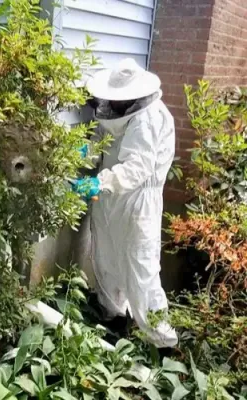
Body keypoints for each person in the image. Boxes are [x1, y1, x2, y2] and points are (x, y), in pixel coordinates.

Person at [73, 58, 178, 348]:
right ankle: (113, 318)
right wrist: (82, 153)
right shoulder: (117, 113)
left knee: (140, 269)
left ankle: (162, 343)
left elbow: (136, 168)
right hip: (109, 200)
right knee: (106, 258)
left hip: (138, 203)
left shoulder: (150, 117)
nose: (110, 105)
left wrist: (100, 182)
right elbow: (101, 141)